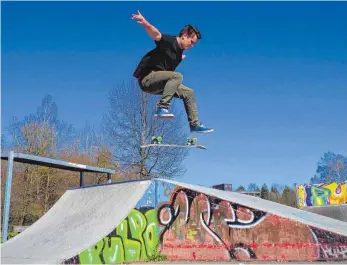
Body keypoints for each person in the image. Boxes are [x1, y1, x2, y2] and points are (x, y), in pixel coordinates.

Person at [131, 10, 214, 133]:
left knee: (188, 93)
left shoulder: (179, 54)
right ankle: (162, 107)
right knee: (177, 76)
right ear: (184, 35)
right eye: (191, 42)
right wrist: (146, 23)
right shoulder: (170, 41)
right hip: (147, 78)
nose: (192, 46)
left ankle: (194, 124)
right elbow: (156, 35)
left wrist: (180, 58)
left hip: (158, 83)